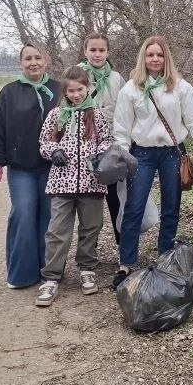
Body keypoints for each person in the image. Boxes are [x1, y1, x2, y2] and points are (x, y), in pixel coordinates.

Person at [112, 35, 193, 287]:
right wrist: (121, 155)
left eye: (159, 55)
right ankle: (126, 264)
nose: (155, 59)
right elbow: (121, 127)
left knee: (171, 208)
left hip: (172, 152)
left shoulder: (181, 87)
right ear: (143, 58)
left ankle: (165, 258)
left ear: (166, 58)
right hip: (141, 153)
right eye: (150, 55)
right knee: (134, 208)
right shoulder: (131, 89)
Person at [34, 66, 113, 306]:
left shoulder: (96, 114)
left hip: (91, 182)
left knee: (91, 227)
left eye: (80, 89)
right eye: (71, 91)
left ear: (88, 88)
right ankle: (51, 276)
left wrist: (98, 157)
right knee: (57, 230)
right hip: (62, 182)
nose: (76, 94)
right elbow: (43, 141)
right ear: (65, 91)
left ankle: (87, 268)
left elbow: (107, 140)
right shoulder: (56, 114)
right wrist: (54, 151)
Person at [0, 43, 61, 288]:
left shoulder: (59, 90)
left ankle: (48, 270)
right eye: (28, 58)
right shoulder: (9, 92)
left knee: (50, 218)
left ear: (46, 61)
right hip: (22, 167)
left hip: (53, 165)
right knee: (24, 212)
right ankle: (21, 274)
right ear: (21, 63)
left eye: (38, 57)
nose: (33, 62)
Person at [77, 33, 126, 244]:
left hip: (112, 147)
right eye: (93, 50)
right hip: (85, 147)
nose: (97, 54)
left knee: (115, 199)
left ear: (108, 52)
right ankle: (89, 249)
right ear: (85, 51)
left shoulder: (117, 79)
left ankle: (122, 246)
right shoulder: (77, 76)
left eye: (101, 50)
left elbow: (125, 112)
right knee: (89, 201)